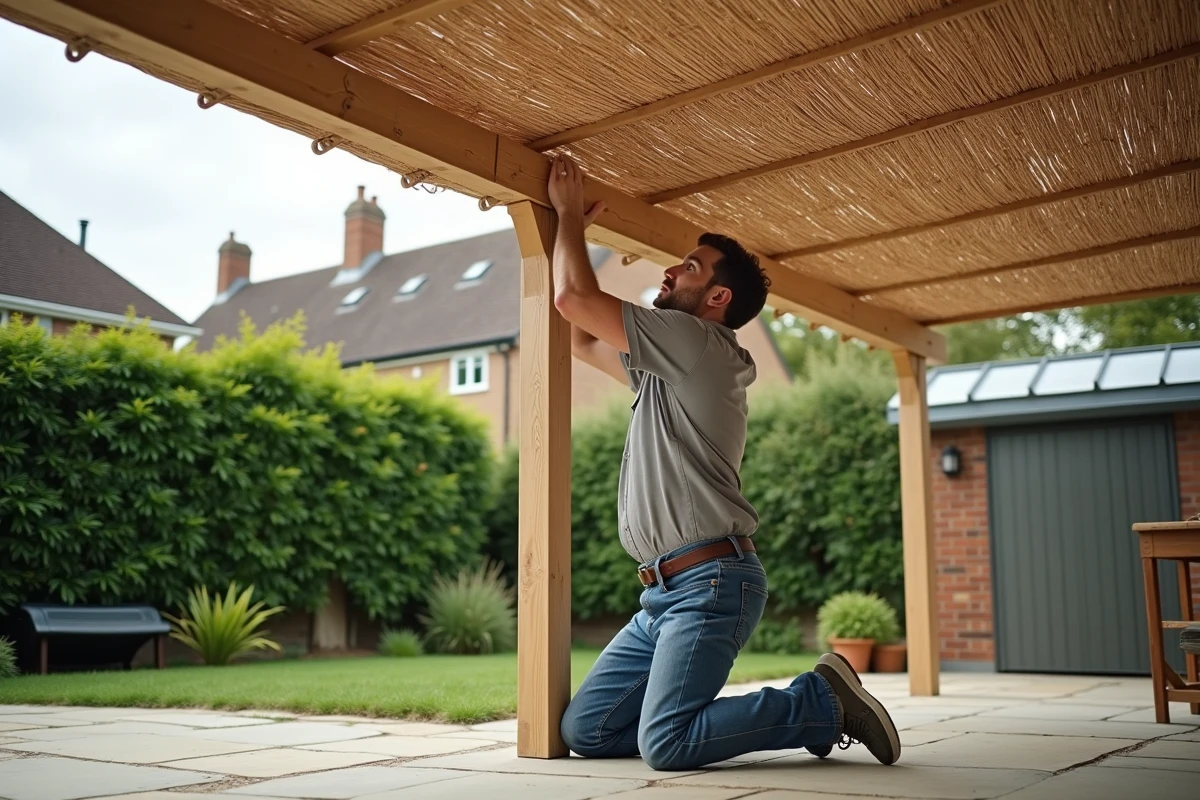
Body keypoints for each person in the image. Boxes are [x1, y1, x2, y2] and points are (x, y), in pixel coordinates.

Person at [545, 154, 900, 771]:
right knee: (589, 730)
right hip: (661, 594)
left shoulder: (698, 344)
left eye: (688, 267)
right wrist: (562, 229)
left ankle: (818, 702)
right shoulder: (667, 364)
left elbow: (576, 300)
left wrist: (570, 215)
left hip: (709, 585)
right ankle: (727, 714)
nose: (668, 270)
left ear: (717, 296)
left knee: (666, 745)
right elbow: (576, 334)